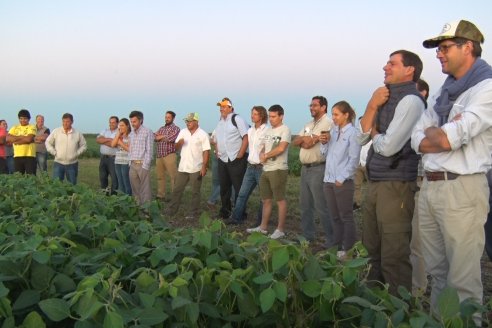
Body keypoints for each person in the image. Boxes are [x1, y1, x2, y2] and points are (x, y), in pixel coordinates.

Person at [411, 20, 492, 316]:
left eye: (445, 47)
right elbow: (416, 140)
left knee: (463, 281)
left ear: (467, 47)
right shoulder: (445, 92)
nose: (439, 54)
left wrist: (438, 134)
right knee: (438, 274)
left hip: (462, 190)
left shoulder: (487, 89)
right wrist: (439, 135)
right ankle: (440, 322)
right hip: (431, 188)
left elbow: (443, 139)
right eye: (439, 48)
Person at [357, 50, 425, 294]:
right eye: (386, 62)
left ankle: (399, 311)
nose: (385, 67)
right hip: (376, 182)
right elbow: (360, 136)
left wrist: (374, 132)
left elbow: (387, 147)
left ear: (410, 70)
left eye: (392, 63)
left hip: (396, 185)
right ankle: (373, 304)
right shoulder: (383, 97)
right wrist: (372, 105)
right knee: (371, 248)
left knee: (393, 254)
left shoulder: (411, 101)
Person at [320, 101, 360, 259]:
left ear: (346, 115)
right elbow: (325, 153)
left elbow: (353, 159)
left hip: (342, 182)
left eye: (336, 114)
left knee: (346, 216)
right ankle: (337, 245)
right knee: (334, 216)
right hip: (328, 180)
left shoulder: (353, 133)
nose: (333, 117)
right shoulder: (333, 131)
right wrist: (324, 143)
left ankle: (349, 248)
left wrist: (341, 178)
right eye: (333, 114)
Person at [292, 96, 333, 245]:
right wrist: (308, 138)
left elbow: (309, 143)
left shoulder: (329, 123)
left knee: (322, 206)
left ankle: (331, 240)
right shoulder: (308, 124)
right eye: (311, 105)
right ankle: (307, 237)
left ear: (323, 107)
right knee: (305, 206)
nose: (311, 108)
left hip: (318, 168)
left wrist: (308, 139)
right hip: (305, 169)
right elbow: (296, 141)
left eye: (315, 105)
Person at [247, 105, 291, 239]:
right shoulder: (269, 131)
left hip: (278, 169)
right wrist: (261, 154)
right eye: (270, 116)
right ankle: (263, 227)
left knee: (280, 200)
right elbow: (263, 147)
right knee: (266, 199)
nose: (271, 119)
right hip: (265, 169)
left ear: (281, 116)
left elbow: (281, 148)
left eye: (274, 116)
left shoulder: (285, 130)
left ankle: (280, 229)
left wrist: (266, 156)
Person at [229, 106, 268, 225]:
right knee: (242, 194)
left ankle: (260, 222)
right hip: (250, 167)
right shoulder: (250, 131)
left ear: (261, 116)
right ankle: (236, 219)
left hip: (262, 167)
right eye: (252, 114)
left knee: (263, 197)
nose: (252, 116)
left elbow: (269, 146)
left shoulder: (267, 130)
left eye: (255, 114)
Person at [167, 113, 210, 219]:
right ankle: (172, 210)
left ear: (196, 121)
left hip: (196, 168)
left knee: (195, 192)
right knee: (177, 189)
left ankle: (193, 212)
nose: (188, 123)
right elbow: (176, 147)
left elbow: (206, 151)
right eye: (187, 121)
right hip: (183, 167)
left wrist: (204, 166)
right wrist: (179, 144)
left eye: (190, 121)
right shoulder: (183, 132)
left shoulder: (203, 134)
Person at [410, 78, 430, 296]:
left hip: (425, 181)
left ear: (423, 94)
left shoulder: (428, 118)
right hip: (409, 182)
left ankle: (418, 289)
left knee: (418, 241)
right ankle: (414, 287)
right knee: (410, 240)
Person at [214, 97, 249, 219]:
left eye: (224, 106)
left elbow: (246, 136)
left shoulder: (237, 119)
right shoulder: (220, 122)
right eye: (220, 107)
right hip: (223, 159)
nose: (221, 109)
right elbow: (217, 139)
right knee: (224, 187)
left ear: (230, 108)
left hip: (236, 159)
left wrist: (240, 154)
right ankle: (225, 211)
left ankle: (240, 213)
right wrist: (217, 151)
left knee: (238, 187)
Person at [45, 113, 87, 184]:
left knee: (72, 185)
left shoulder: (77, 133)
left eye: (67, 121)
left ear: (72, 122)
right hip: (58, 163)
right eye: (63, 121)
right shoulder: (56, 131)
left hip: (72, 164)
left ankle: (71, 195)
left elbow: (84, 145)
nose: (65, 123)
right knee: (56, 185)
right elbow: (47, 142)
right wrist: (54, 152)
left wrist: (76, 153)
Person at [128, 110, 154, 206]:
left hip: (142, 164)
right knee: (135, 189)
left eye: (134, 121)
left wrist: (145, 165)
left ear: (141, 120)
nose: (132, 124)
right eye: (131, 122)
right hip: (133, 164)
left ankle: (147, 210)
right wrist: (130, 163)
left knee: (145, 189)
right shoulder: (131, 134)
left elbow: (150, 150)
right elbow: (130, 149)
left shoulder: (147, 132)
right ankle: (137, 208)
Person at [154, 111, 180, 201]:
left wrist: (160, 137)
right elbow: (154, 137)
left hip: (169, 155)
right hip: (159, 155)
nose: (166, 118)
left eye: (168, 117)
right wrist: (163, 136)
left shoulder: (176, 128)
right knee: (160, 177)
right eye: (166, 117)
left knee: (173, 177)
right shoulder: (161, 128)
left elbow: (171, 139)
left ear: (173, 118)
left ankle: (175, 196)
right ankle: (161, 195)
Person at [6, 109, 37, 175]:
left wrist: (16, 141)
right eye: (21, 118)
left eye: (25, 118)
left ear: (29, 119)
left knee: (31, 177)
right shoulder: (14, 127)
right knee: (18, 178)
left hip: (29, 156)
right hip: (17, 156)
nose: (23, 120)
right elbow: (8, 138)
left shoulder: (32, 126)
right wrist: (22, 137)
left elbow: (29, 139)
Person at [96, 116, 119, 195]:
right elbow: (98, 140)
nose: (111, 124)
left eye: (113, 122)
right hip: (103, 158)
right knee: (103, 177)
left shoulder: (119, 132)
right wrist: (109, 139)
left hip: (113, 159)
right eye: (110, 122)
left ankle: (113, 196)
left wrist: (104, 140)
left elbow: (115, 145)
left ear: (117, 123)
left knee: (114, 179)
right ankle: (104, 194)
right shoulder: (105, 130)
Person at [111, 118, 132, 195]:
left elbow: (130, 149)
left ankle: (129, 199)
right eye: (119, 125)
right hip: (117, 161)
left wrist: (120, 142)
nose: (120, 127)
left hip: (126, 162)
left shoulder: (131, 136)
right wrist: (118, 136)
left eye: (122, 125)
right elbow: (112, 145)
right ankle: (122, 201)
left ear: (128, 126)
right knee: (120, 183)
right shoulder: (119, 136)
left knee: (126, 182)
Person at [353, 139, 371, 210]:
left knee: (371, 186)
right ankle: (357, 203)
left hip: (369, 164)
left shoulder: (374, 133)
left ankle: (371, 205)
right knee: (356, 185)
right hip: (358, 162)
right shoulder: (359, 132)